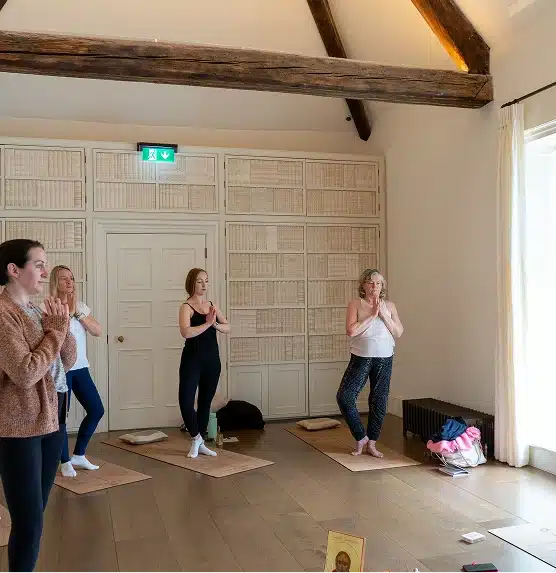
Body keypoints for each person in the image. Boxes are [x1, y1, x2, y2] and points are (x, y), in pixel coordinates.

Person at [0, 239, 76, 573]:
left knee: (35, 517)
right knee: (29, 522)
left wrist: (63, 323)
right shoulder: (3, 315)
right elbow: (26, 372)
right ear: (14, 270)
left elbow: (69, 360)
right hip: (19, 426)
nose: (45, 272)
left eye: (46, 264)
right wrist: (55, 332)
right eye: (39, 265)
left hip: (52, 420)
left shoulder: (37, 308)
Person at [337, 269, 404, 458]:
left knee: (379, 400)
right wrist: (372, 316)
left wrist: (383, 315)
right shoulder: (356, 305)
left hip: (384, 357)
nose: (374, 286)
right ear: (363, 285)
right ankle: (361, 437)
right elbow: (351, 331)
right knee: (345, 396)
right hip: (361, 356)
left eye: (378, 283)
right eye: (370, 282)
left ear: (382, 286)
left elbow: (398, 332)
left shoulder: (390, 306)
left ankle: (372, 442)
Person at [44, 265, 104, 478]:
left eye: (71, 278)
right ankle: (65, 461)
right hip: (60, 372)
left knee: (97, 410)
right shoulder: (48, 308)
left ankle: (79, 454)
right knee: (61, 419)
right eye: (64, 279)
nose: (69, 282)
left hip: (81, 369)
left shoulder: (81, 307)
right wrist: (65, 314)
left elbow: (97, 331)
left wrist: (76, 312)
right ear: (55, 283)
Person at [178, 268, 230, 458]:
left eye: (206, 281)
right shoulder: (186, 307)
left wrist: (214, 323)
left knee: (205, 403)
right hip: (192, 359)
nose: (204, 285)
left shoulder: (212, 305)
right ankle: (195, 437)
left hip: (212, 360)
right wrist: (207, 324)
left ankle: (199, 443)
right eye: (200, 281)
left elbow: (228, 327)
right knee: (185, 401)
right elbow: (186, 332)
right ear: (192, 283)